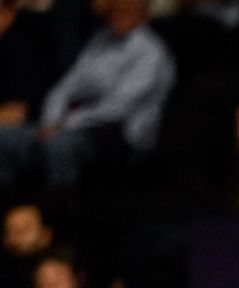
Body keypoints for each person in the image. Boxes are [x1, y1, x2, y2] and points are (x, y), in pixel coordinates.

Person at [0, 0, 175, 197]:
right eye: (115, 10)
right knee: (4, 138)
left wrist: (64, 124)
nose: (117, 16)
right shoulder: (101, 39)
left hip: (119, 136)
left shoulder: (151, 53)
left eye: (125, 11)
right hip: (67, 124)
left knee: (59, 146)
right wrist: (51, 120)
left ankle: (56, 211)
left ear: (144, 15)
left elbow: (117, 108)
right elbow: (66, 87)